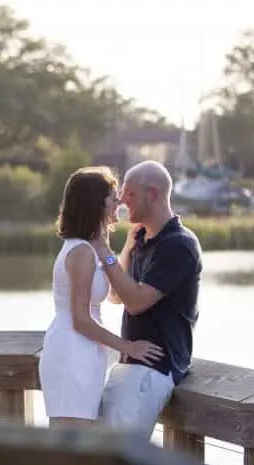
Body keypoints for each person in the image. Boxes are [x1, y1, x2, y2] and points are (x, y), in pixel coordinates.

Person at [39, 166, 164, 428]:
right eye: (111, 197)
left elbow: (116, 296)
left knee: (80, 444)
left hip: (85, 353)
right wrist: (128, 347)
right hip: (71, 353)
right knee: (71, 445)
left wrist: (126, 248)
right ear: (95, 204)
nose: (117, 202)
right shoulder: (82, 253)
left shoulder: (91, 249)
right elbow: (80, 320)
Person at [91, 160, 203, 437]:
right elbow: (118, 296)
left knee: (117, 459)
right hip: (130, 364)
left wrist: (103, 249)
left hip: (154, 369)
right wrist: (126, 251)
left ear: (152, 194)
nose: (120, 200)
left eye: (129, 193)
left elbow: (137, 302)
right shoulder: (142, 239)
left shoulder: (178, 245)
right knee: (101, 455)